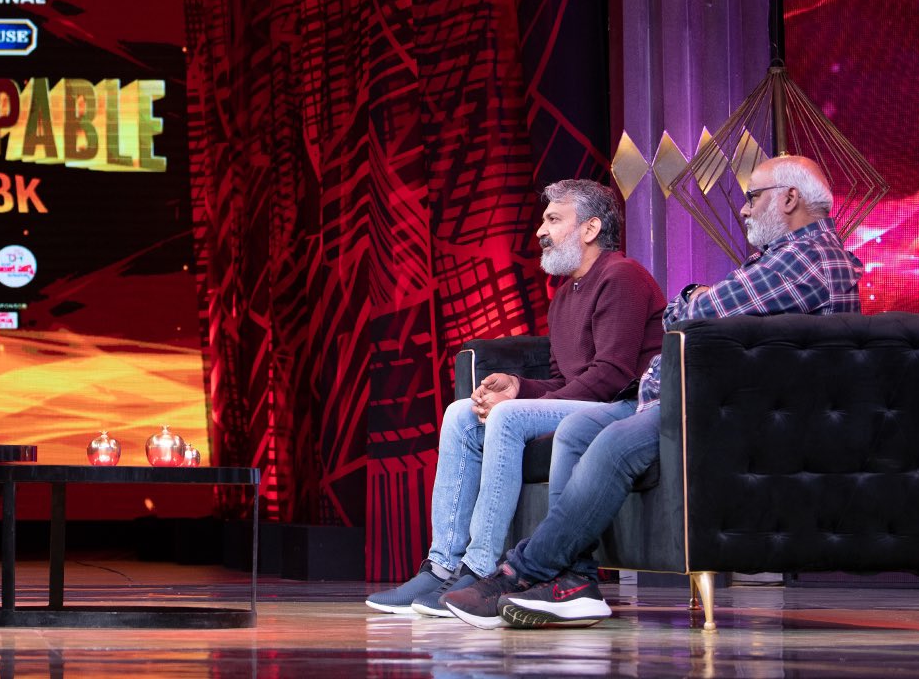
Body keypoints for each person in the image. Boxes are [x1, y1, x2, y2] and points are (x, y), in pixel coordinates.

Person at [442, 155, 860, 629]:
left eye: (752, 197)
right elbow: (690, 311)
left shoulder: (805, 258)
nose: (743, 209)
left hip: (720, 411)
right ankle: (573, 583)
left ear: (789, 198)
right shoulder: (782, 259)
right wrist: (523, 386)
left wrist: (694, 298)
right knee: (576, 429)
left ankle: (518, 570)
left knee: (608, 442)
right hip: (689, 401)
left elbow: (687, 314)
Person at [367, 180, 665, 617]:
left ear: (590, 228)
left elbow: (611, 376)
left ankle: (480, 568)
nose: (541, 231)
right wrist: (518, 387)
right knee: (461, 414)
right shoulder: (563, 296)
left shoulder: (622, 276)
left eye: (553, 220)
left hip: (625, 407)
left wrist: (519, 406)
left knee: (506, 418)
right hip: (591, 400)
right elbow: (565, 379)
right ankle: (442, 564)